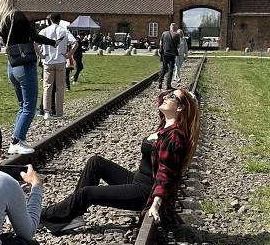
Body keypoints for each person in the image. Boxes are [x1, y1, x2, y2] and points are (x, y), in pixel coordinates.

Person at [41, 88, 200, 233]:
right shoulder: (165, 124)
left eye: (171, 96)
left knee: (87, 193)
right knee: (95, 162)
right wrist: (179, 94)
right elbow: (161, 98)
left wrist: (156, 204)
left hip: (145, 192)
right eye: (168, 94)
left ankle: (42, 215)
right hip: (137, 180)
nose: (166, 97)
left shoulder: (175, 137)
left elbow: (166, 174)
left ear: (179, 108)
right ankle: (73, 215)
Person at [0, 0, 56, 155]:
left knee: (22, 105)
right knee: (29, 106)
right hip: (25, 65)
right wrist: (53, 43)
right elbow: (35, 37)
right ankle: (16, 141)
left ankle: (18, 138)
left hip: (12, 66)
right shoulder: (18, 16)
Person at [38, 13, 77, 120]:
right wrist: (69, 55)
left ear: (50, 19)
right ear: (60, 21)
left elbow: (34, 43)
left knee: (47, 87)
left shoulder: (45, 31)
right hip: (61, 61)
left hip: (48, 62)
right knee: (60, 87)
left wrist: (40, 55)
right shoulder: (64, 30)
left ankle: (46, 112)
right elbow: (75, 43)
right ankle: (59, 113)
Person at [158, 23, 181, 90]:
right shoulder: (177, 35)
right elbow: (178, 46)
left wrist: (162, 50)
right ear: (175, 28)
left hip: (164, 54)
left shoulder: (164, 33)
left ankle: (160, 83)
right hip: (172, 54)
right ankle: (168, 85)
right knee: (171, 69)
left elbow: (160, 43)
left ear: (170, 27)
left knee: (164, 68)